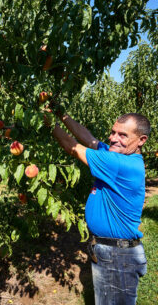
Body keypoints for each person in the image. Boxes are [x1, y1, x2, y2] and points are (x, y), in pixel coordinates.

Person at [51, 111, 150, 305]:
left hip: (118, 258)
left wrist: (46, 123)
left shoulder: (120, 164)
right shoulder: (119, 155)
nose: (113, 139)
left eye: (123, 135)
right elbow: (89, 139)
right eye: (113, 132)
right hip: (113, 253)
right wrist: (61, 114)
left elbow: (72, 148)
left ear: (141, 140)